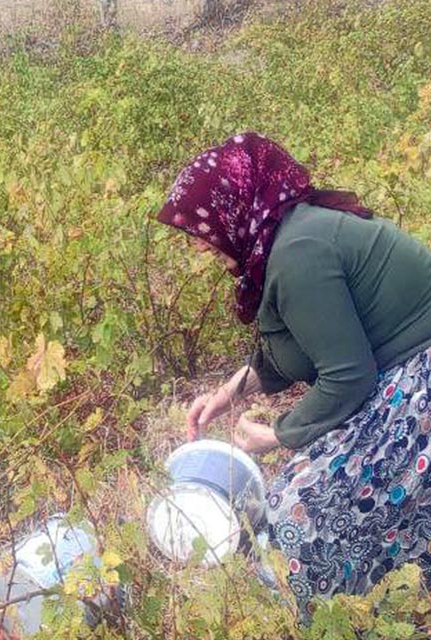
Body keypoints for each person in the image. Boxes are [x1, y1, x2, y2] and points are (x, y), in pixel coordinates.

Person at [158, 132, 431, 611]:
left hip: (420, 377)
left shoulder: (297, 253)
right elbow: (300, 351)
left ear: (234, 208)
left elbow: (348, 378)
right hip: (405, 370)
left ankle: (336, 614)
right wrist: (229, 394)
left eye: (203, 228)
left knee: (297, 513)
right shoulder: (283, 241)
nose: (200, 246)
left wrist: (277, 436)